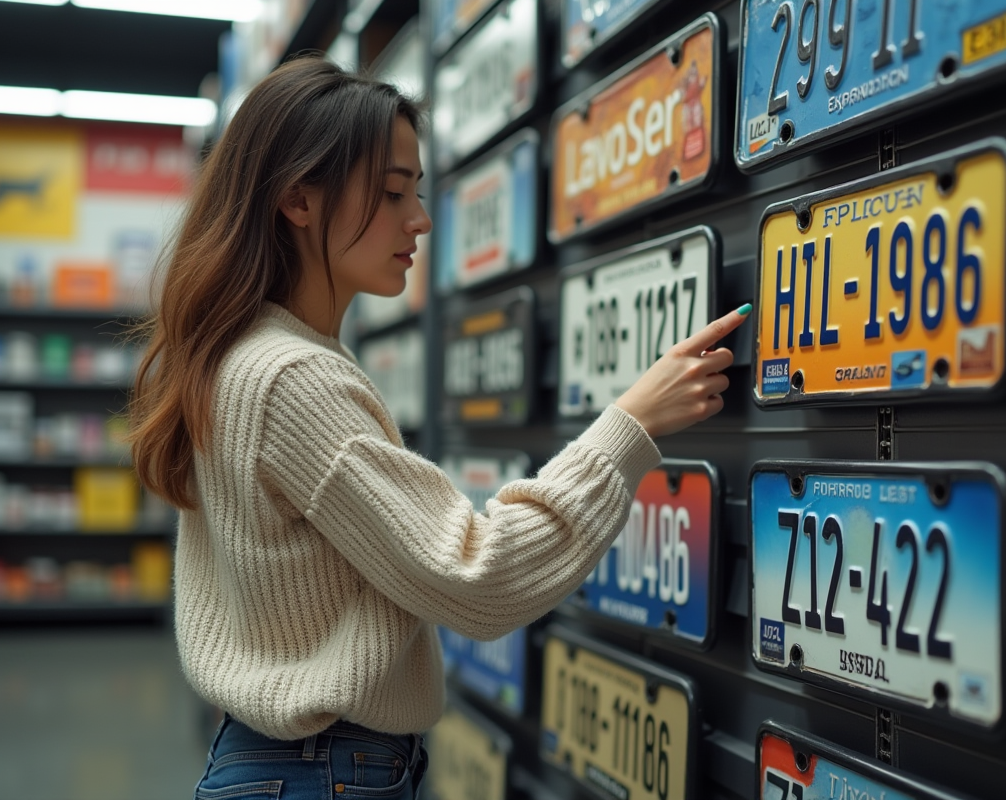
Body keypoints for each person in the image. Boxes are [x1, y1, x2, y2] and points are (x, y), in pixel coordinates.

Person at [128, 56, 751, 800]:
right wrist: (632, 425)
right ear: (297, 198)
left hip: (284, 763)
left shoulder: (243, 360)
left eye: (415, 192)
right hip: (322, 771)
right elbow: (478, 577)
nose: (419, 219)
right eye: (392, 193)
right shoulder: (293, 379)